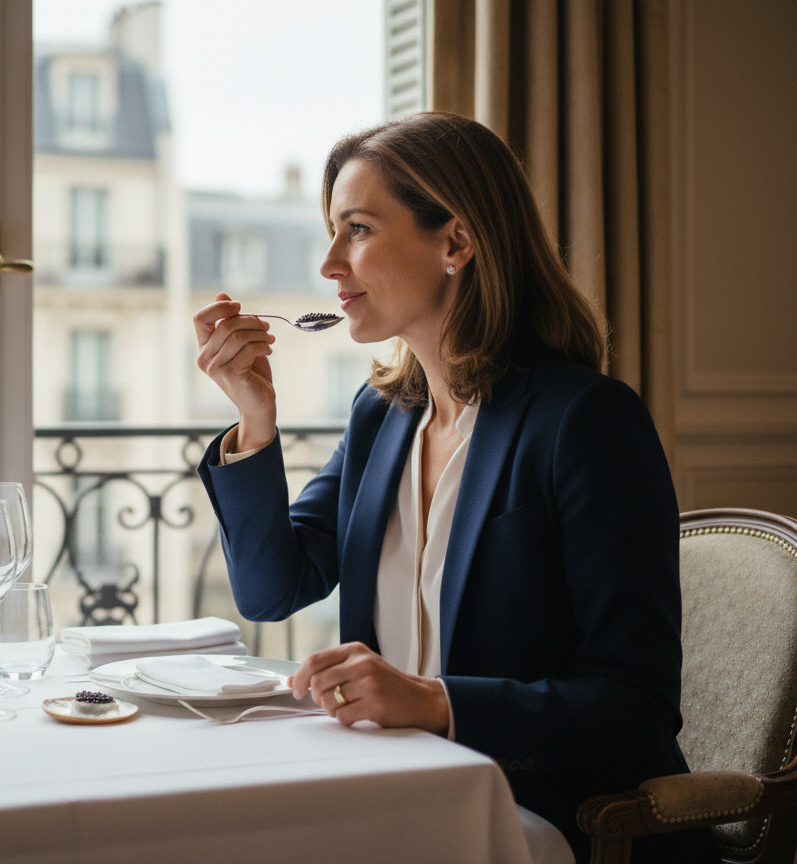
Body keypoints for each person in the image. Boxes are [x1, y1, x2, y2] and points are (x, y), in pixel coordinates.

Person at [192, 112, 717, 863]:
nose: (330, 264)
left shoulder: (586, 421)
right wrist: (254, 420)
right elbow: (272, 590)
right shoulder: (381, 416)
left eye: (358, 230)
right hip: (400, 796)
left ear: (456, 243)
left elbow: (637, 708)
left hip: (548, 821)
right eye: (332, 232)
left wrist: (435, 702)